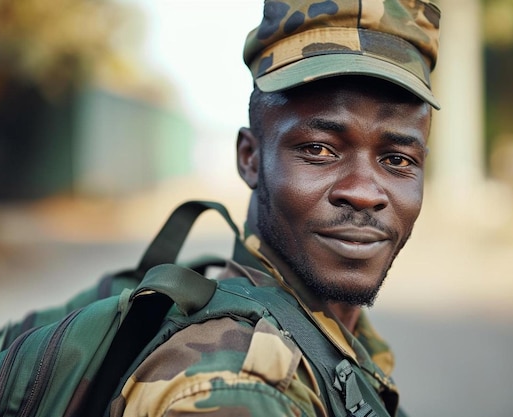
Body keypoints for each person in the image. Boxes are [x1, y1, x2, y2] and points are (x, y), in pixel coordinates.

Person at [110, 0, 441, 416]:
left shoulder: (333, 337)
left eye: (397, 159)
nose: (363, 193)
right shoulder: (238, 390)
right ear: (250, 158)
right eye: (319, 149)